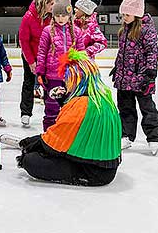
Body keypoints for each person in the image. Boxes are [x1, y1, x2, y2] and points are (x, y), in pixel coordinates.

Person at [16, 49, 122, 186]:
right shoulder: (105, 99)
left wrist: (31, 144)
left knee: (31, 160)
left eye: (67, 80)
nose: (65, 84)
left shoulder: (81, 105)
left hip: (93, 171)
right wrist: (64, 100)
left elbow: (55, 144)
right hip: (107, 167)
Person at [110, 0, 158, 155]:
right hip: (124, 78)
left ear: (137, 13)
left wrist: (150, 75)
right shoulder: (124, 30)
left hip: (141, 78)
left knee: (147, 108)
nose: (124, 17)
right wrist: (117, 67)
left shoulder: (147, 30)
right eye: (123, 14)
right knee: (125, 108)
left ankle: (154, 138)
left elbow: (152, 53)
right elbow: (122, 52)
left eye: (127, 14)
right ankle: (126, 136)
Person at [36, 0, 85, 131]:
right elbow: (41, 52)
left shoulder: (77, 32)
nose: (60, 18)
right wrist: (40, 72)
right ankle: (48, 135)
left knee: (69, 107)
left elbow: (81, 54)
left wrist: (81, 72)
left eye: (63, 15)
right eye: (57, 15)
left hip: (71, 77)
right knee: (51, 107)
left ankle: (66, 135)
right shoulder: (47, 31)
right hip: (52, 77)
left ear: (69, 15)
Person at [18, 0, 56, 128]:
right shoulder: (28, 17)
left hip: (47, 57)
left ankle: (51, 111)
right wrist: (31, 61)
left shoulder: (52, 17)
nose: (53, 6)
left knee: (48, 83)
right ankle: (25, 113)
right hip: (31, 55)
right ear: (43, 3)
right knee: (28, 83)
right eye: (51, 3)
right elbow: (23, 40)